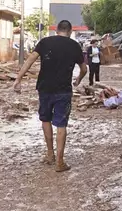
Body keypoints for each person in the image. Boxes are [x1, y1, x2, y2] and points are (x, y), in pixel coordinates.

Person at [12, 20, 87, 172]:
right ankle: (60, 162)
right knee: (61, 124)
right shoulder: (74, 46)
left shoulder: (45, 42)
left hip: (45, 89)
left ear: (56, 30)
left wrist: (18, 78)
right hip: (63, 90)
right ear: (70, 31)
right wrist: (78, 79)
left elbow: (30, 60)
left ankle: (50, 154)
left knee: (45, 119)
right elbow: (84, 68)